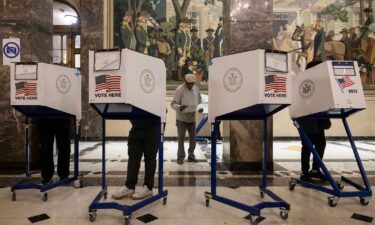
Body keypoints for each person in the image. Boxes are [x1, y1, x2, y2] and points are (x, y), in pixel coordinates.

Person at [299, 60, 331, 183]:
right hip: (306, 120)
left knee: (321, 144)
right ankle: (304, 172)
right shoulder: (304, 82)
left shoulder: (320, 82)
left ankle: (315, 170)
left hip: (318, 120)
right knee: (307, 146)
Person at [112, 119, 159, 200]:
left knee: (150, 158)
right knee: (133, 157)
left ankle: (148, 187)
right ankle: (129, 186)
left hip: (152, 127)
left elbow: (163, 111)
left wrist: (161, 131)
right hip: (136, 127)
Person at [171, 73, 202, 165]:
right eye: (189, 84)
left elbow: (200, 101)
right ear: (185, 82)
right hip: (181, 119)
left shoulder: (196, 89)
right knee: (181, 139)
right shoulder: (180, 89)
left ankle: (191, 155)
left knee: (193, 138)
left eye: (192, 83)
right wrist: (180, 107)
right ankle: (180, 157)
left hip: (192, 118)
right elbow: (173, 103)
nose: (190, 85)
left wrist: (200, 108)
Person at [38, 118, 71, 184]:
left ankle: (63, 174)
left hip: (63, 115)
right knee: (45, 148)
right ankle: (47, 175)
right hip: (44, 117)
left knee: (64, 147)